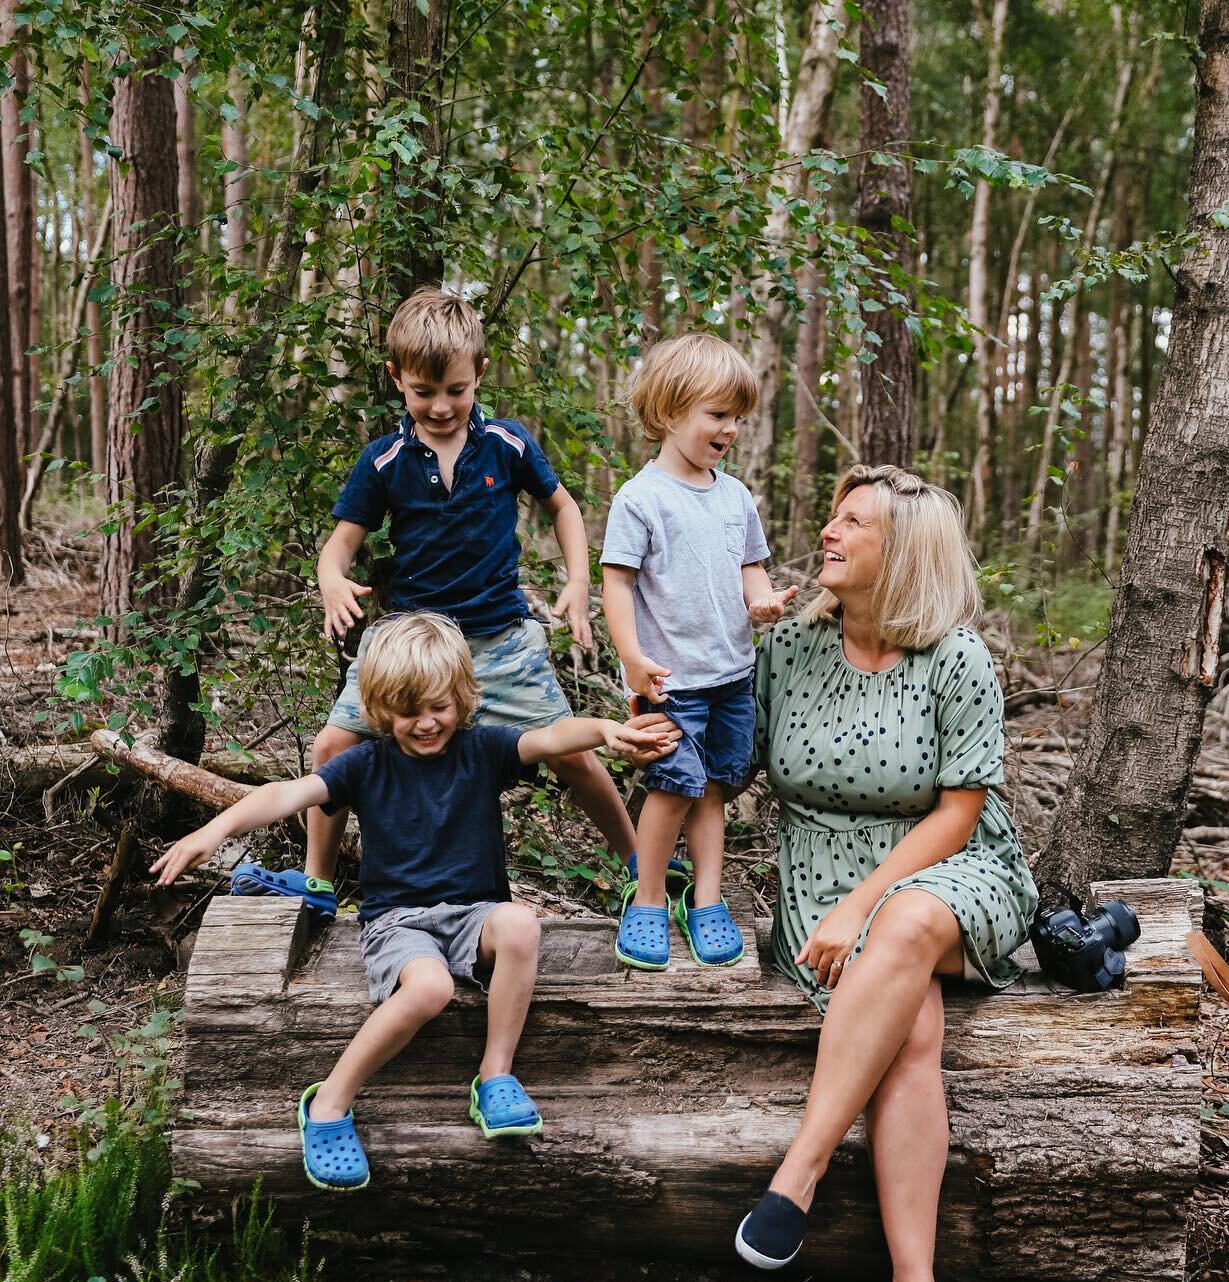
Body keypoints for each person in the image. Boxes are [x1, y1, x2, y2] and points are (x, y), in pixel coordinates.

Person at [150, 612, 678, 1190]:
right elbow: (287, 793)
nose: (426, 724)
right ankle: (328, 1103)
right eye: (407, 711)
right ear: (379, 708)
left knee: (523, 925)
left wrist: (605, 730)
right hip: (398, 923)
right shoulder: (366, 763)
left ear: (462, 698)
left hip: (474, 917)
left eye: (439, 707)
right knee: (429, 987)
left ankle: (494, 1077)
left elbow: (551, 737)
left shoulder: (483, 750)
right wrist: (212, 833)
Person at [731, 466, 1038, 1282]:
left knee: (902, 926)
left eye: (850, 522)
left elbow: (961, 812)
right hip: (817, 879)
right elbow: (723, 764)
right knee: (913, 1033)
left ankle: (801, 1173)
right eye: (832, 515)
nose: (826, 532)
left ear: (900, 551)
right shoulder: (787, 647)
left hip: (947, 873)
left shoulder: (957, 659)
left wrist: (863, 904)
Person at [231, 287, 641, 915]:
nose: (441, 406)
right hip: (410, 646)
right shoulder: (384, 461)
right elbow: (337, 547)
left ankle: (641, 869)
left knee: (575, 753)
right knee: (331, 751)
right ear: (397, 379)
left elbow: (562, 505)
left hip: (498, 640)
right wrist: (333, 582)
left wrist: (578, 580)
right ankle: (317, 882)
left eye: (455, 389)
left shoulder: (506, 444)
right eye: (424, 392)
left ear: (479, 371)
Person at [600, 333, 796, 969]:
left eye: (738, 417)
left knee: (712, 789)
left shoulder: (735, 496)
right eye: (718, 415)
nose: (731, 429)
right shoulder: (642, 498)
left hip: (731, 676)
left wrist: (761, 601)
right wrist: (630, 656)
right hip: (671, 681)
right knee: (671, 786)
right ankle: (650, 899)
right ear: (668, 412)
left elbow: (750, 568)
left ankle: (706, 900)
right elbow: (619, 583)